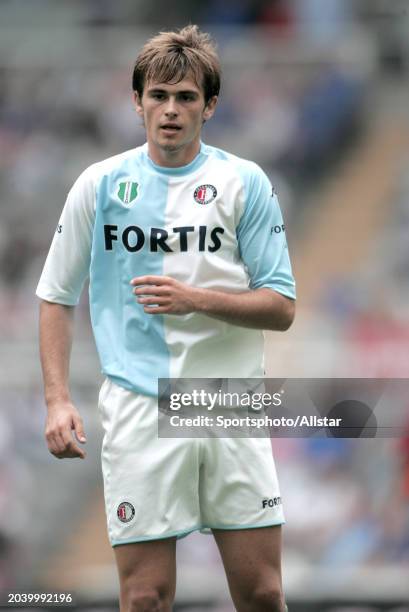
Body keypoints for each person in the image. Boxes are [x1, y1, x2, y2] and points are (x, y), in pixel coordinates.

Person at [36, 25, 296, 612]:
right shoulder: (98, 185)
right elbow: (56, 294)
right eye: (158, 96)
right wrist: (57, 399)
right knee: (146, 595)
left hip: (228, 403)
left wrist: (196, 298)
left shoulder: (245, 182)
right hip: (139, 406)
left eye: (185, 97)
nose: (171, 110)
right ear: (137, 102)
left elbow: (281, 307)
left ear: (210, 106)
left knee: (263, 592)